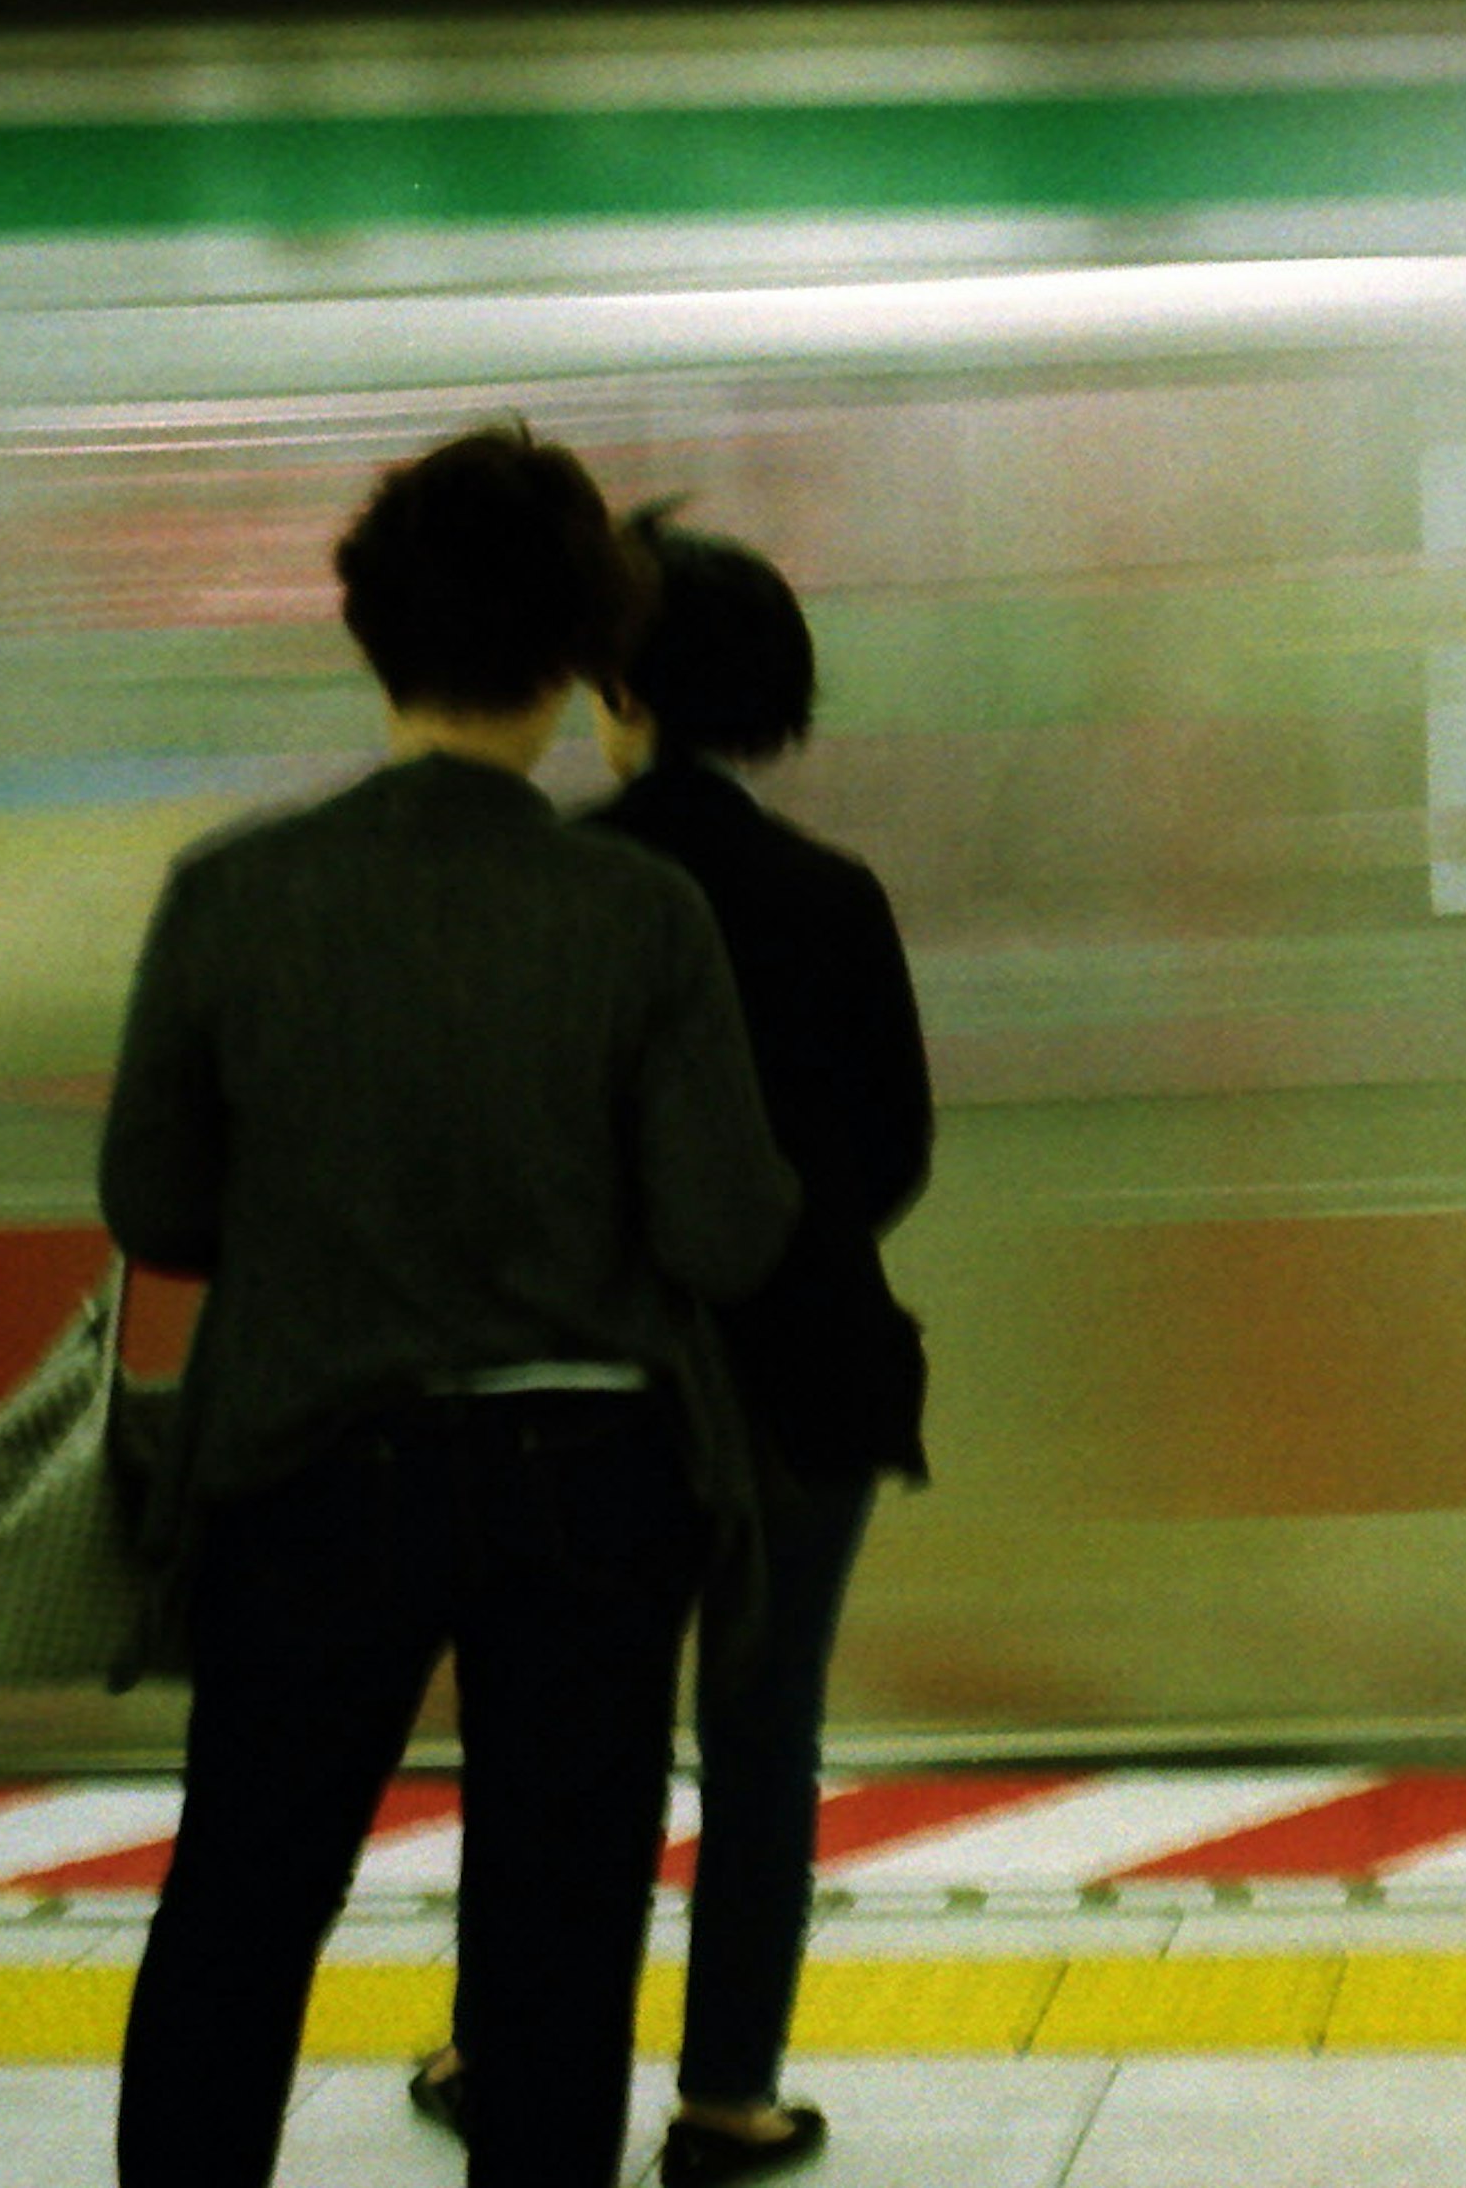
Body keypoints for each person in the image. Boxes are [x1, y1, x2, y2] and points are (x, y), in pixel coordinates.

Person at [105, 425, 797, 2188]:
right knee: (559, 1942)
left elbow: (156, 1208)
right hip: (588, 1484)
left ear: (372, 634)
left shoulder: (232, 895)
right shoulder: (639, 913)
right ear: (580, 655)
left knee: (245, 1904)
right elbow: (729, 1231)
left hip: (307, 1474)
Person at [417, 504, 932, 2188]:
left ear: (618, 686)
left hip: (594, 1394)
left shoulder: (550, 885)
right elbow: (895, 1156)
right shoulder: (835, 895)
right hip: (806, 1384)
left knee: (565, 1738)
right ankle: (726, 2102)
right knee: (763, 1738)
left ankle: (507, 2056)